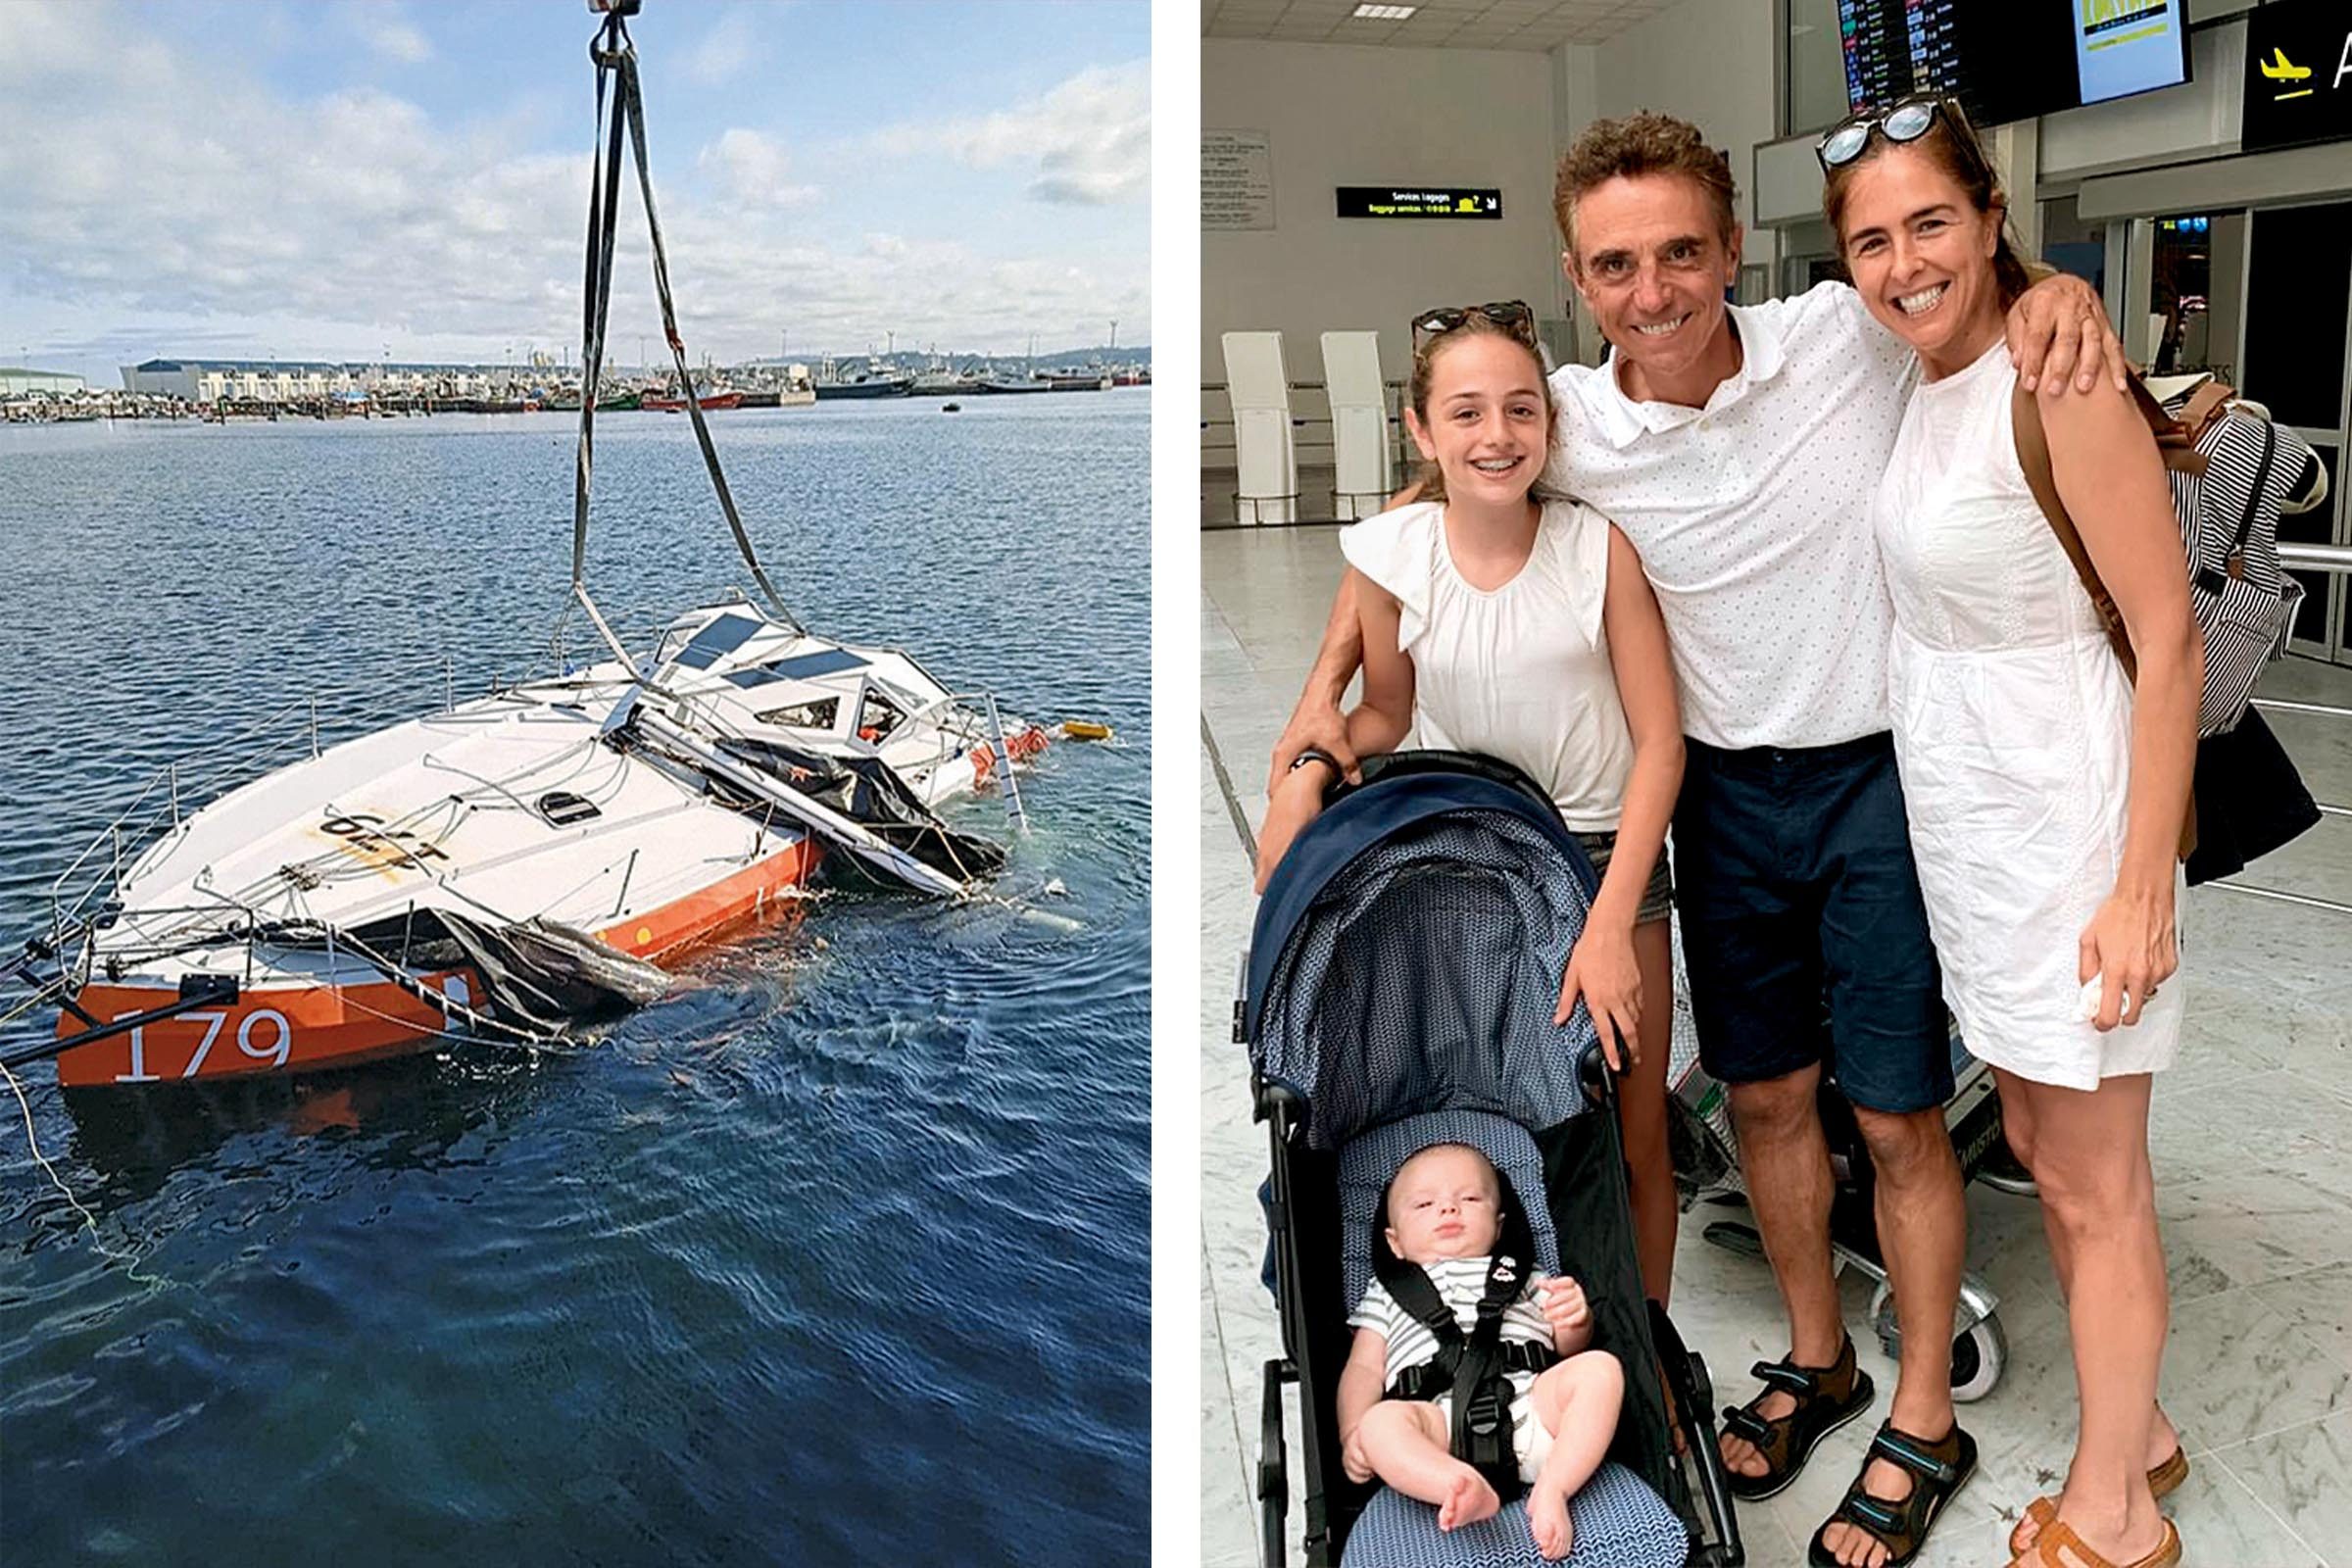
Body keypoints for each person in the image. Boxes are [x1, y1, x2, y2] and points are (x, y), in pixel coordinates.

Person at [1267, 112, 2132, 1568]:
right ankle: (1818, 1357)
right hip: (1723, 798)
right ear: (1575, 281)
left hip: (1877, 776)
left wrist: (2054, 287)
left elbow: (1962, 297)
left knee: (1899, 1116)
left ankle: (1925, 1409)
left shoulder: (1832, 340)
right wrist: (1308, 742)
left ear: (1733, 248)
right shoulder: (1561, 415)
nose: (1654, 290)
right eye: (1617, 265)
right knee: (1770, 1105)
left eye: (1681, 252)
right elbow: (1417, 528)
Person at [1822, 96, 2196, 1568]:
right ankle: (2142, 1425)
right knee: (2040, 1138)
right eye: (1872, 240)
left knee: (2098, 1184)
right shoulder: (1931, 374)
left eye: (1931, 222)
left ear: (1989, 212)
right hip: (1977, 826)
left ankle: (2114, 1513)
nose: (1905, 263)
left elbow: (2164, 642)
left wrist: (2139, 890)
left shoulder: (2062, 377)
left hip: (2073, 821)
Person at [1254, 298, 1686, 1308]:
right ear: (1421, 430)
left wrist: (1614, 920)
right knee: (1502, 1100)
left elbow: (1661, 744)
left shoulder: (1596, 550)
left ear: (1549, 422)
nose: (1497, 436)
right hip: (1471, 855)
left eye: (1521, 410)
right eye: (1467, 413)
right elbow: (1387, 711)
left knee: (1633, 1130)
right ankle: (1519, 1318)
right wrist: (1307, 776)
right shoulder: (1389, 558)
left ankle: (1645, 1346)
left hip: (1600, 855)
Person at [1338, 1142, 1625, 1561]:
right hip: (1435, 1426)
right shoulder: (1386, 1294)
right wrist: (1352, 1433)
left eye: (1470, 1199)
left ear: (1498, 1223)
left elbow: (1568, 1351)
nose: (1448, 1209)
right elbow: (1363, 1369)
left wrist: (1574, 1323)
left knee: (1601, 1369)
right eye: (1423, 1204)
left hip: (1534, 1410)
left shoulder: (1526, 1277)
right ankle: (1455, 1484)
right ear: (1394, 1242)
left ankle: (1553, 1486)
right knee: (1380, 1423)